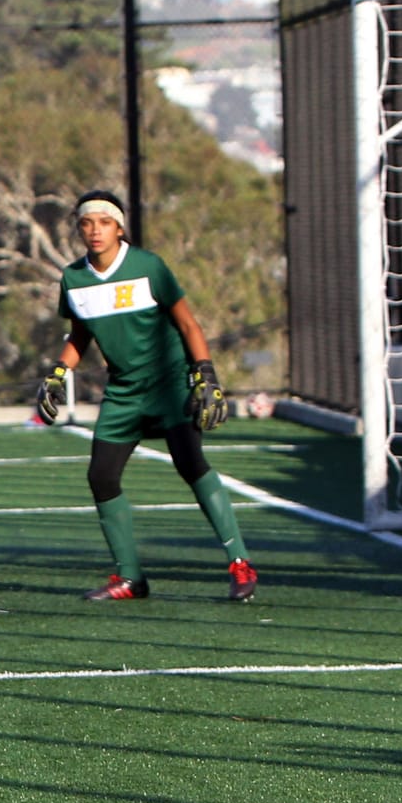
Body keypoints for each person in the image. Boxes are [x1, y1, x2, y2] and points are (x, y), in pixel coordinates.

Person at [36, 190, 257, 603]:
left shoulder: (148, 266)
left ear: (119, 228)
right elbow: (82, 333)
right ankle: (130, 578)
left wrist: (205, 372)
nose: (95, 230)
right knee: (101, 477)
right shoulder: (74, 278)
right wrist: (57, 371)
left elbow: (188, 324)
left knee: (191, 464)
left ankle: (240, 564)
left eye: (104, 222)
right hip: (123, 391)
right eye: (87, 222)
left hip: (170, 382)